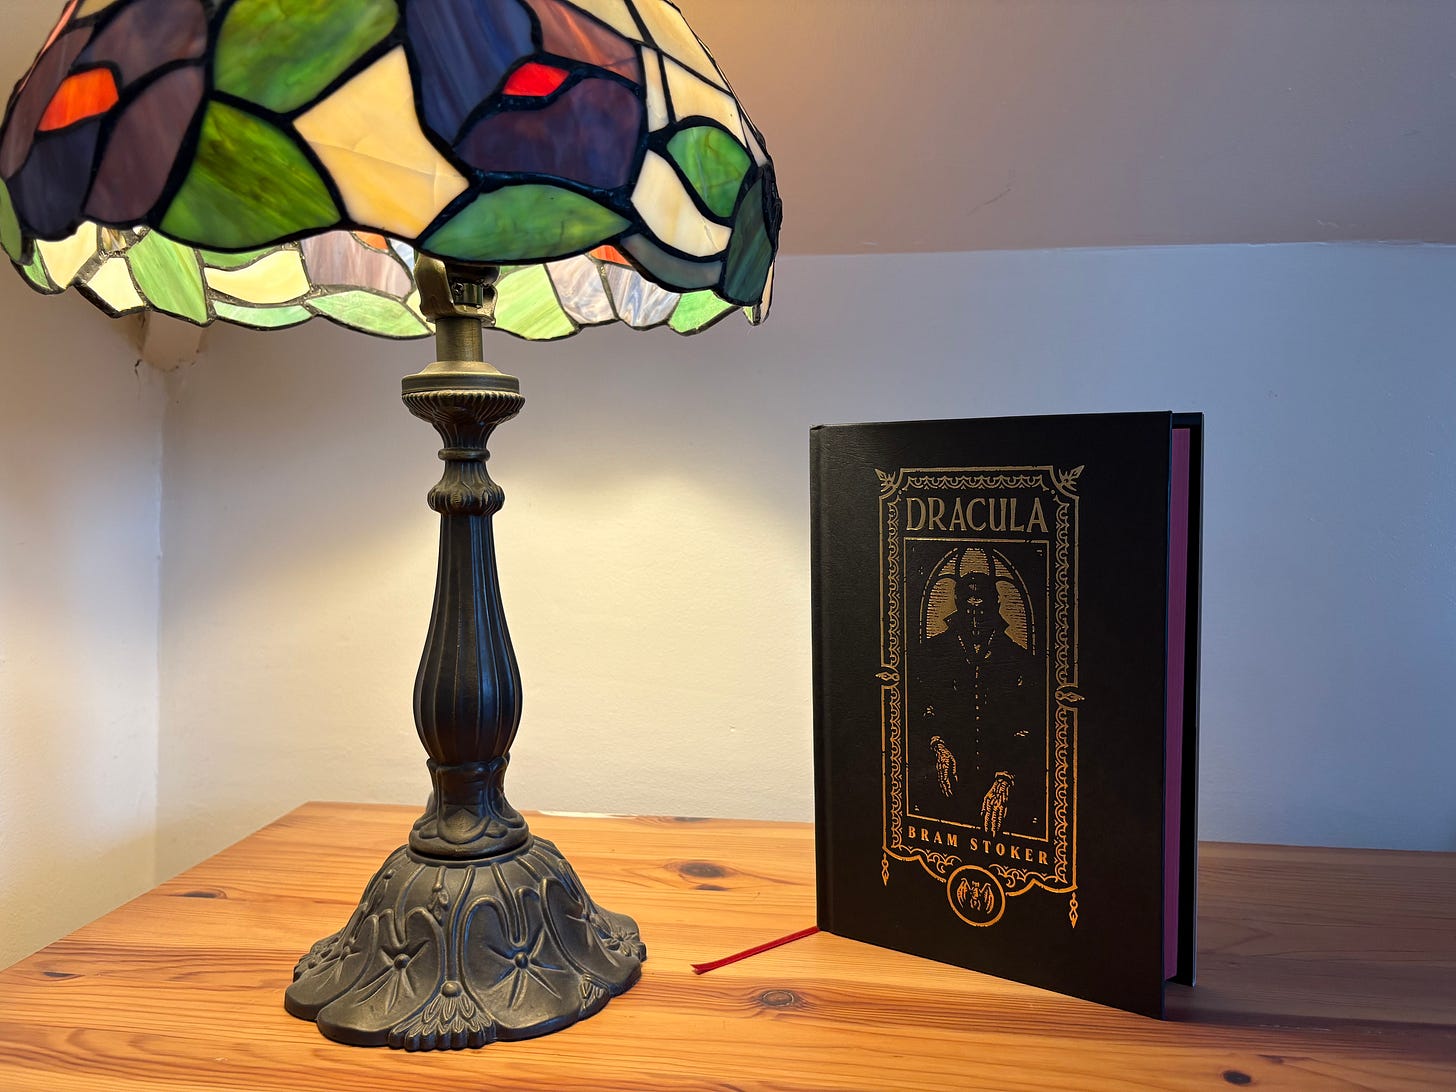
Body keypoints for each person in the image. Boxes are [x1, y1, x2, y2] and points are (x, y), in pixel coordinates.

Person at [913, 571, 1043, 836]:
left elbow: (1028, 725)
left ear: (994, 606)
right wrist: (937, 744)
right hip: (944, 780)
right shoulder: (931, 652)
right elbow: (920, 707)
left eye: (981, 600)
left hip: (1002, 782)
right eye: (968, 599)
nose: (974, 607)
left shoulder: (1018, 658)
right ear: (958, 604)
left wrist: (1006, 777)